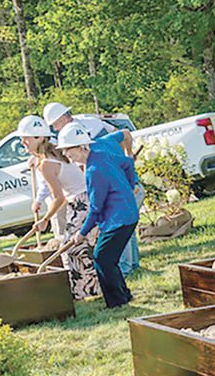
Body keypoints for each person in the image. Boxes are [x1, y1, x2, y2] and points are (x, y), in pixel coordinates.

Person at [43, 101, 143, 274]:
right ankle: (133, 266)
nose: (56, 130)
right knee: (127, 230)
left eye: (55, 125)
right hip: (130, 189)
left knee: (119, 229)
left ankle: (125, 270)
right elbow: (125, 134)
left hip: (121, 192)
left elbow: (96, 206)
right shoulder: (100, 135)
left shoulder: (93, 158)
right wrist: (129, 156)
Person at [16, 115, 100, 300]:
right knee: (80, 248)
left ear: (40, 138)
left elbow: (58, 197)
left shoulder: (46, 163)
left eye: (26, 138)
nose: (22, 142)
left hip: (81, 202)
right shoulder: (54, 153)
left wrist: (45, 220)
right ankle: (92, 288)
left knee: (70, 249)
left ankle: (81, 292)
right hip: (83, 199)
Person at [60, 122, 140, 309]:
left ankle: (117, 302)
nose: (65, 154)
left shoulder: (93, 171)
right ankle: (124, 296)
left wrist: (81, 233)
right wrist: (130, 185)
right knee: (107, 259)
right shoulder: (101, 156)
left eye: (67, 149)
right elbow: (128, 163)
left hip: (119, 220)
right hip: (126, 215)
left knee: (102, 258)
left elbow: (95, 208)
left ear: (81, 147)